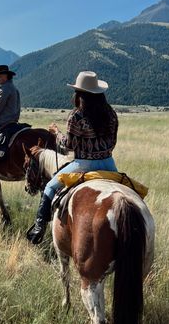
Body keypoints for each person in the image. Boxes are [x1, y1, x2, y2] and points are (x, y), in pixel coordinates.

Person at [26, 71, 118, 244]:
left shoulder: (76, 116)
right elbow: (113, 142)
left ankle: (39, 228)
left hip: (83, 164)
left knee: (50, 188)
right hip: (108, 163)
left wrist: (56, 133)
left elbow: (68, 146)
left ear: (79, 94)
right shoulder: (111, 113)